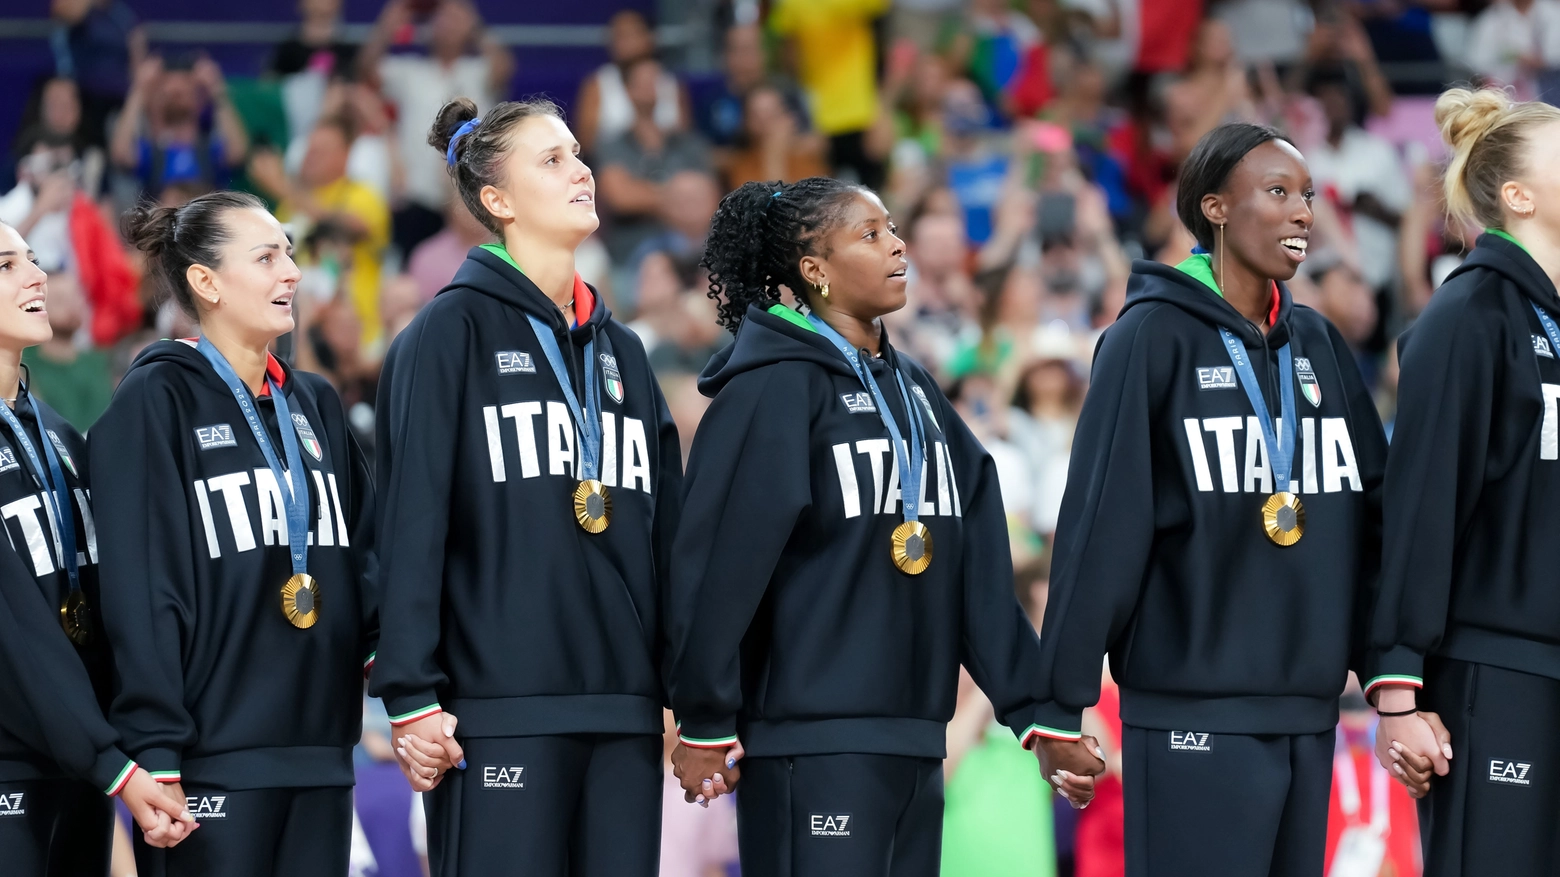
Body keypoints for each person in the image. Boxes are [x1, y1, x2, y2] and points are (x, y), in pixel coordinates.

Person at [666, 176, 1052, 876]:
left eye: (894, 229)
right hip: (811, 740)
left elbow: (976, 561)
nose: (897, 246)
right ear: (814, 268)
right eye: (871, 235)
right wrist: (703, 717)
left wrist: (1032, 708)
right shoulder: (769, 388)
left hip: (915, 736)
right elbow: (718, 566)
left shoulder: (918, 393)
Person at [1030, 123, 1388, 876]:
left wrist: (1393, 670)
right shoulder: (1148, 338)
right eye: (1278, 192)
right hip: (1190, 710)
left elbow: (1375, 514)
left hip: (1308, 709)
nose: (1303, 213)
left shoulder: (1320, 344)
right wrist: (1060, 703)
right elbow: (1100, 524)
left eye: (1309, 196)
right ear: (1216, 208)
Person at [370, 96, 681, 876]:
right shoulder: (447, 334)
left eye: (577, 153)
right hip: (498, 710)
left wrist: (685, 687)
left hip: (626, 711)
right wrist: (410, 693)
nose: (581, 170)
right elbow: (410, 522)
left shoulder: (626, 353)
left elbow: (667, 535)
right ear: (498, 202)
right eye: (552, 160)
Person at [97, 191, 378, 877]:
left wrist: (402, 682)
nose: (292, 273)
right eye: (267, 256)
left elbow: (366, 560)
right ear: (206, 282)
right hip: (210, 762)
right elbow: (144, 589)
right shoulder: (156, 399)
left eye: (289, 252)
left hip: (321, 757)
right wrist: (156, 748)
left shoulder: (312, 402)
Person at [1367, 87, 1560, 877]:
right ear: (1518, 196)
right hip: (1499, 673)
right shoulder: (1467, 317)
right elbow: (1419, 510)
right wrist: (1399, 691)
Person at [0, 220, 196, 874]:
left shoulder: (54, 432)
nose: (36, 275)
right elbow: (16, 629)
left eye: (32, 259)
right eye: (6, 265)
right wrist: (111, 761)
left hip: (78, 761)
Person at [358, 0, 515, 257]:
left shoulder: (478, 71)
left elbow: (504, 67)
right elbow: (366, 71)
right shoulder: (409, 71)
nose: (448, 26)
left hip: (470, 195)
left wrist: (475, 26)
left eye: (454, 20)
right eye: (441, 19)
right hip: (418, 195)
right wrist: (386, 27)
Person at [109, 55, 250, 202]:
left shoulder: (208, 148)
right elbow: (121, 155)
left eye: (184, 92)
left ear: (199, 99)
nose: (176, 94)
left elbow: (238, 153)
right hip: (161, 222)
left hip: (205, 221)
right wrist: (138, 90)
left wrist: (217, 89)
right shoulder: (153, 151)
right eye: (169, 93)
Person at [574, 10, 689, 155]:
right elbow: (585, 144)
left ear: (649, 38)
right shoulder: (596, 84)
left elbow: (685, 143)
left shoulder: (672, 85)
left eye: (629, 35)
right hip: (612, 167)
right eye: (617, 35)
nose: (622, 42)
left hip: (668, 167)